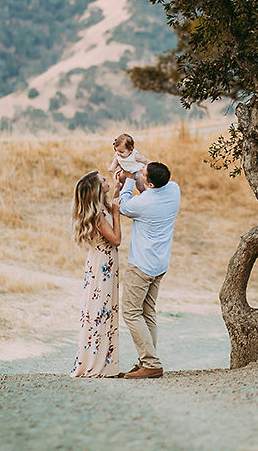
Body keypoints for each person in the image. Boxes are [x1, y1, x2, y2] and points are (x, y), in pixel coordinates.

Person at [115, 161, 180, 379]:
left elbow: (123, 205)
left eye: (144, 173)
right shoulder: (174, 189)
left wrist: (128, 180)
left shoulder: (142, 204)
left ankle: (151, 363)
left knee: (132, 313)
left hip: (141, 265)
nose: (141, 173)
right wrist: (138, 168)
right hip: (160, 263)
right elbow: (153, 178)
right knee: (148, 312)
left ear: (150, 183)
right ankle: (147, 359)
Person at [70, 171, 122, 378]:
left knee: (103, 310)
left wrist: (120, 183)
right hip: (102, 267)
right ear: (97, 189)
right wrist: (116, 215)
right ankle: (96, 363)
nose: (107, 181)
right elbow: (116, 240)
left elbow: (114, 197)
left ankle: (104, 362)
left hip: (103, 263)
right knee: (100, 310)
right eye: (104, 180)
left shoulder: (101, 208)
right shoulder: (99, 214)